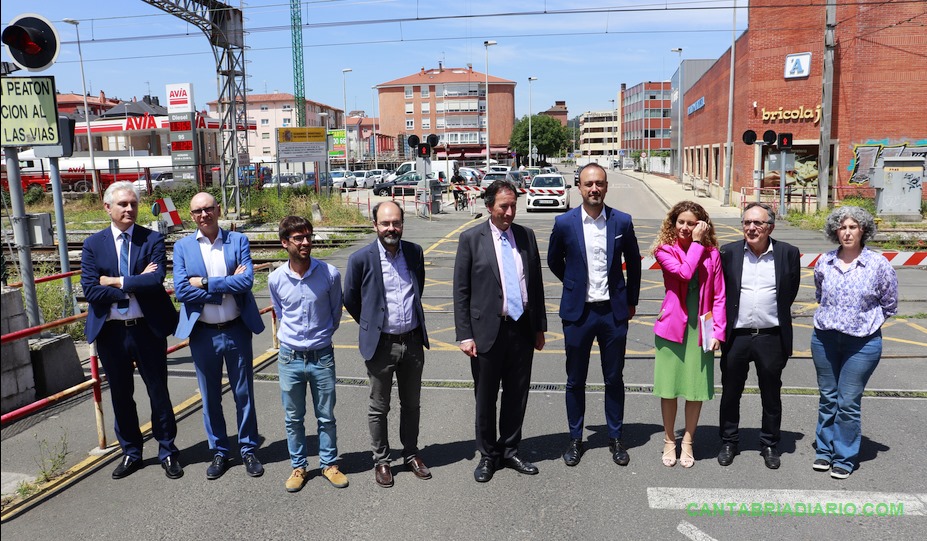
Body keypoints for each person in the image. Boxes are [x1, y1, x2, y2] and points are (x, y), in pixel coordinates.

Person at [80, 181, 181, 480]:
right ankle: (132, 453)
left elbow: (156, 281)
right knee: (121, 396)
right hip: (111, 333)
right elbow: (90, 291)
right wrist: (133, 284)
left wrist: (113, 281)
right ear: (107, 207)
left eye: (133, 204)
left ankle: (167, 451)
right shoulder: (93, 244)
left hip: (146, 329)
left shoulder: (151, 239)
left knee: (158, 392)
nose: (129, 209)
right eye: (122, 204)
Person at [547, 162, 642, 467]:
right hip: (579, 314)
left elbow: (635, 265)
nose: (594, 189)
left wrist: (631, 301)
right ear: (579, 187)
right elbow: (553, 260)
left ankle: (615, 437)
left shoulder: (622, 222)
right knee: (575, 379)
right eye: (588, 184)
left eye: (599, 183)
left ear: (606, 186)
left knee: (613, 377)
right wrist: (574, 284)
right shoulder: (564, 223)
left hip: (613, 314)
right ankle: (575, 439)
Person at [453, 180, 547, 483]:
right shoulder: (471, 239)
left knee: (517, 394)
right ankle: (488, 455)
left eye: (513, 206)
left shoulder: (526, 236)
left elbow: (536, 286)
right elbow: (461, 291)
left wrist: (539, 328)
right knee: (486, 396)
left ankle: (510, 449)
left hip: (520, 328)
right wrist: (465, 335)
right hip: (486, 332)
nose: (510, 212)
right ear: (489, 206)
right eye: (504, 206)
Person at [173, 192, 266, 480]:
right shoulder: (182, 247)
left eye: (209, 209)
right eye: (198, 211)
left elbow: (246, 280)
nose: (204, 215)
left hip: (237, 329)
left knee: (243, 393)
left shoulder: (237, 240)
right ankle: (219, 451)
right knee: (210, 396)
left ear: (218, 209)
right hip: (202, 333)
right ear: (192, 216)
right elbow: (181, 290)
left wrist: (203, 282)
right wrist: (226, 286)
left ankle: (248, 448)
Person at [344, 201, 432, 488]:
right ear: (375, 226)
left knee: (413, 404)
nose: (391, 228)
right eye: (385, 223)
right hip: (380, 345)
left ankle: (411, 454)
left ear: (402, 224)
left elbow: (417, 286)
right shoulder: (360, 259)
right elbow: (351, 298)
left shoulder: (414, 252)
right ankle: (381, 460)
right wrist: (371, 326)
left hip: (413, 342)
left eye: (395, 222)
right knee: (379, 407)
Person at [810, 206, 897, 479]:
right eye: (842, 227)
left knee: (847, 401)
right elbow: (819, 293)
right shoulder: (825, 261)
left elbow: (890, 302)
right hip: (824, 337)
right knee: (828, 398)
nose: (847, 232)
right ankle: (824, 451)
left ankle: (844, 457)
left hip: (862, 343)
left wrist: (866, 324)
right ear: (835, 231)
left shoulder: (878, 264)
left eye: (853, 227)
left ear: (863, 230)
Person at [268, 216, 349, 492]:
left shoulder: (329, 274)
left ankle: (329, 464)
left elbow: (335, 313)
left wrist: (320, 337)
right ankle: (299, 467)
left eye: (308, 236)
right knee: (293, 418)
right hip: (290, 358)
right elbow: (280, 312)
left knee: (326, 416)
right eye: (298, 238)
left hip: (321, 356)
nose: (306, 242)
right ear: (284, 243)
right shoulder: (275, 278)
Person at [717, 202, 801, 469]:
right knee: (731, 392)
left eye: (758, 223)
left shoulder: (788, 253)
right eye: (747, 223)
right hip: (737, 336)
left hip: (771, 336)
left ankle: (769, 444)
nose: (751, 228)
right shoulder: (728, 252)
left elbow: (790, 290)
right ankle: (729, 441)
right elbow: (720, 292)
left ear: (770, 227)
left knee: (771, 393)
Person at [652, 201, 725, 468]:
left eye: (691, 223)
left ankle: (688, 442)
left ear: (701, 225)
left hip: (701, 329)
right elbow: (684, 273)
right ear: (673, 224)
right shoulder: (664, 251)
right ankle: (670, 440)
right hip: (672, 327)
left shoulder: (713, 254)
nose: (685, 227)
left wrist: (719, 331)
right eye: (680, 222)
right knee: (669, 388)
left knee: (695, 389)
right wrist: (696, 243)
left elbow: (719, 296)